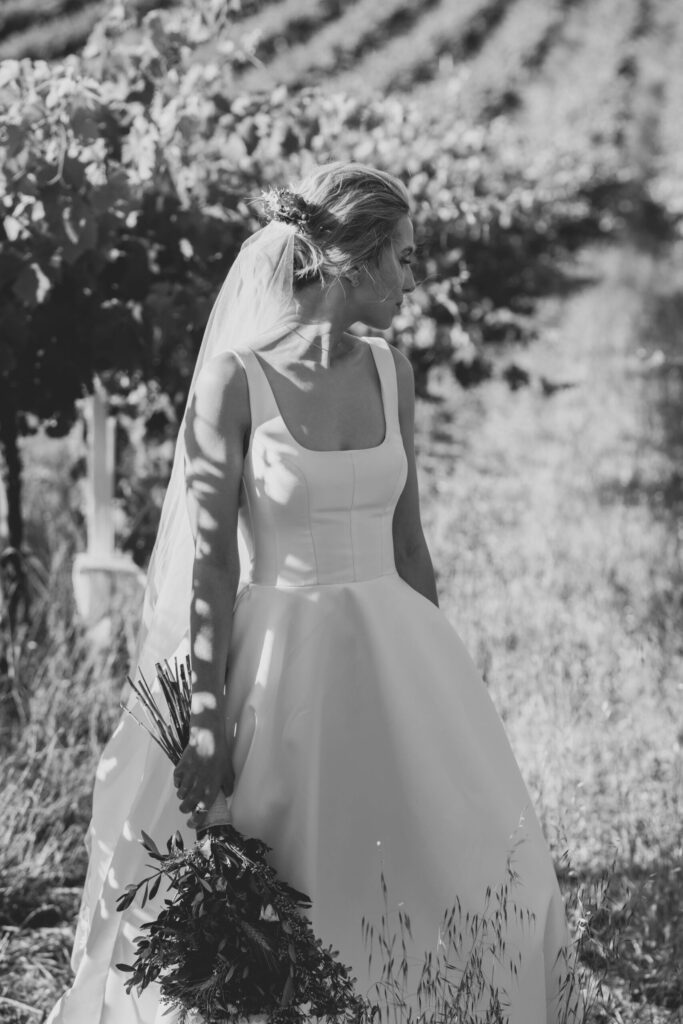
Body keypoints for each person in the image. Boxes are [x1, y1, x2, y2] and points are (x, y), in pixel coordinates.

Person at [48, 161, 578, 1024]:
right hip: (277, 667)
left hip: (395, 654)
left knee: (447, 864)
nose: (413, 279)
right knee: (288, 883)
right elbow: (214, 564)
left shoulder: (392, 373)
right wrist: (212, 722)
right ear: (353, 261)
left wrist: (447, 685)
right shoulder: (235, 384)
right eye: (402, 258)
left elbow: (409, 541)